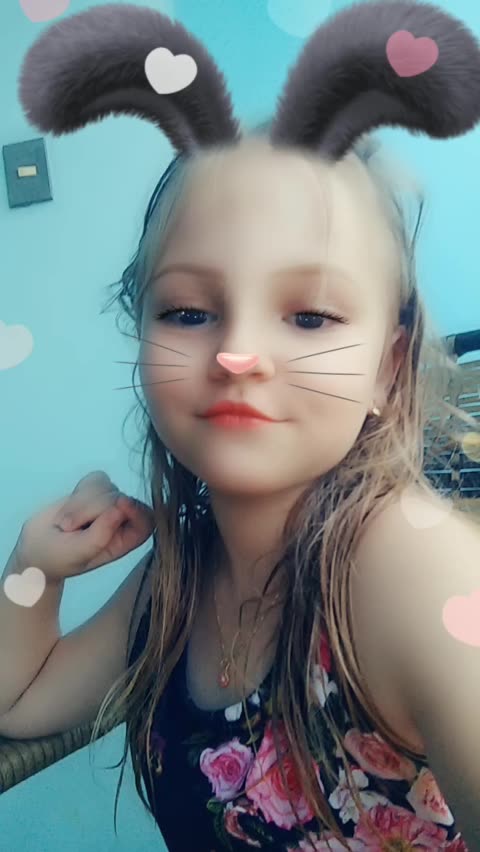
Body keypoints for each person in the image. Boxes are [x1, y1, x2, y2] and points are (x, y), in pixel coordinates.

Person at [1, 2, 480, 851]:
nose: (238, 354)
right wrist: (33, 569)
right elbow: (20, 703)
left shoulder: (412, 569)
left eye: (309, 316)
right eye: (188, 311)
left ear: (389, 366)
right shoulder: (175, 581)